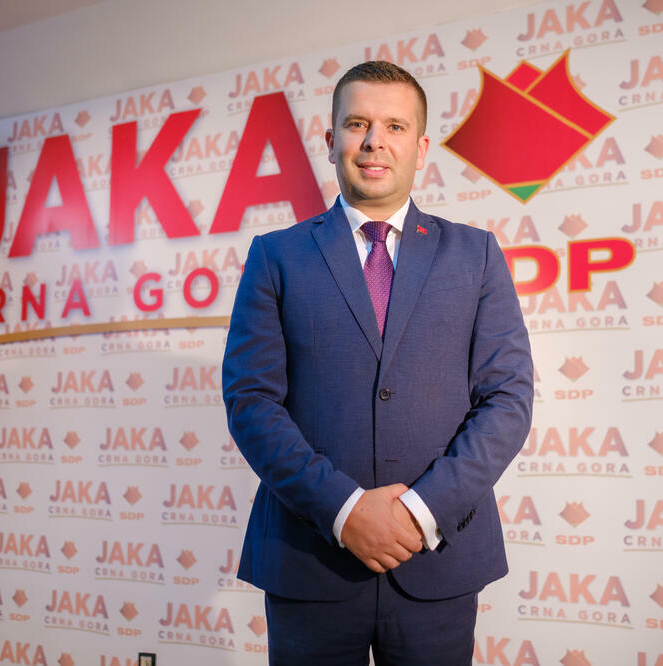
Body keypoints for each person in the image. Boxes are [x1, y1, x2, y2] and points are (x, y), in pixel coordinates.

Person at [222, 60, 533, 665]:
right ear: (331, 138)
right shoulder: (276, 256)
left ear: (421, 148)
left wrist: (420, 513)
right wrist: (344, 511)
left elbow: (507, 399)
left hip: (437, 558)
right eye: (357, 123)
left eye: (394, 126)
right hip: (310, 558)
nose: (374, 141)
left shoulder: (475, 253)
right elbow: (251, 402)